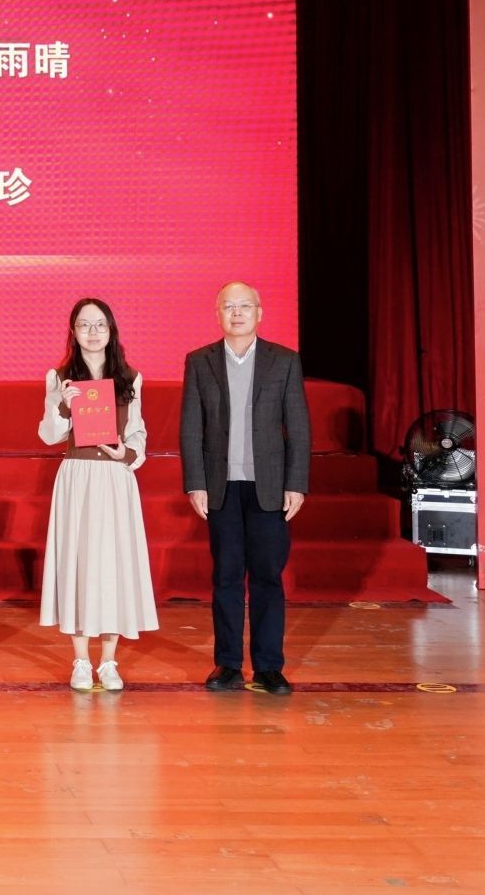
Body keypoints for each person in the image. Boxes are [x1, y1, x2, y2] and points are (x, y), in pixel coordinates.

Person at [179, 281, 311, 695]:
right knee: (226, 576)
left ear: (259, 312)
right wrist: (195, 483)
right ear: (217, 313)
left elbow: (298, 426)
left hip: (268, 486)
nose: (237, 313)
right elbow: (191, 427)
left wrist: (296, 483)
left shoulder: (284, 360)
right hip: (221, 487)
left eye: (245, 306)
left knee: (268, 576)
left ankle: (269, 667)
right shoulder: (200, 361)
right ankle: (228, 664)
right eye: (228, 306)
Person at [38, 298, 158, 689]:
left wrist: (127, 453)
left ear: (111, 330)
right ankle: (80, 660)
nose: (93, 332)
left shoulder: (130, 378)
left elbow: (137, 432)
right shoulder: (60, 378)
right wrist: (62, 406)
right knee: (79, 562)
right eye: (84, 325)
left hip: (114, 479)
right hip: (77, 477)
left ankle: (108, 661)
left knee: (112, 565)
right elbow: (50, 435)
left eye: (100, 325)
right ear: (73, 331)